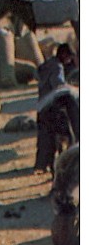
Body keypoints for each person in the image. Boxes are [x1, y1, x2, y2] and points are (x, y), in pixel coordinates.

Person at [34, 43, 79, 174]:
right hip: (52, 104)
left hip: (41, 105)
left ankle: (42, 164)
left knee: (44, 140)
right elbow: (58, 86)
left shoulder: (47, 64)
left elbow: (37, 74)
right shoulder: (57, 67)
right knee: (66, 135)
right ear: (64, 55)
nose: (69, 61)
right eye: (69, 57)